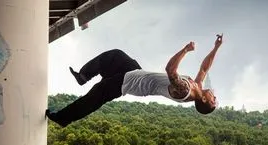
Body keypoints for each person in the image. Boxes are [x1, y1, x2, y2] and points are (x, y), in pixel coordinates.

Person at [46, 34, 223, 127]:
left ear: (205, 100)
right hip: (135, 71)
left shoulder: (184, 90)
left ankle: (63, 118)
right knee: (115, 55)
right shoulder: (198, 85)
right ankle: (83, 76)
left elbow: (170, 70)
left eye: (214, 101)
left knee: (92, 99)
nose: (215, 96)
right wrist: (216, 47)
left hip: (129, 83)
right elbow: (204, 68)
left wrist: (185, 50)